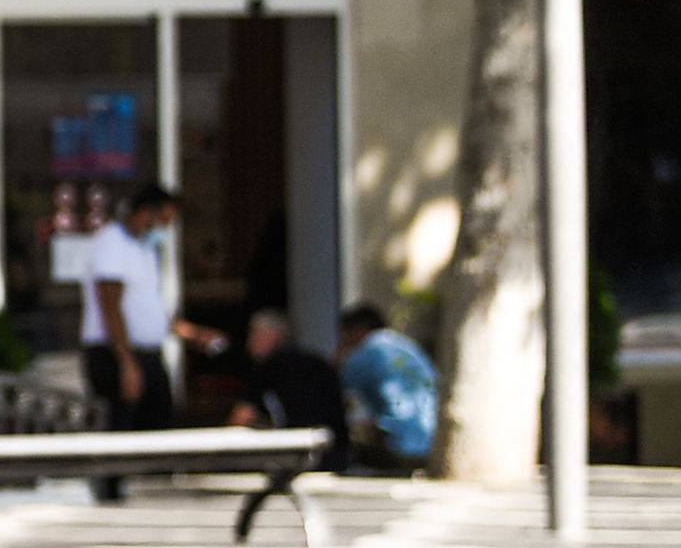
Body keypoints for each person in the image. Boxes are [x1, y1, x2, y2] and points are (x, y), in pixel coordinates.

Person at [78, 182, 217, 430]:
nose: (164, 228)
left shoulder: (145, 248)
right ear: (146, 212)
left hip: (147, 356)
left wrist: (191, 333)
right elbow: (110, 306)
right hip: (116, 355)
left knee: (159, 426)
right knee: (123, 431)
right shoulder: (112, 243)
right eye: (163, 220)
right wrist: (127, 363)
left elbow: (146, 309)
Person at [339, 303, 441, 474]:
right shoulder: (408, 347)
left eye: (343, 333)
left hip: (397, 447)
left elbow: (345, 402)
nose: (343, 339)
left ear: (358, 330)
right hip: (431, 443)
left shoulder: (362, 354)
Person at [233, 308, 347, 453]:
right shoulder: (318, 362)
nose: (248, 345)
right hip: (334, 448)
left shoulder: (268, 366)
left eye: (253, 336)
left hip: (297, 451)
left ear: (272, 336)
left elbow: (243, 416)